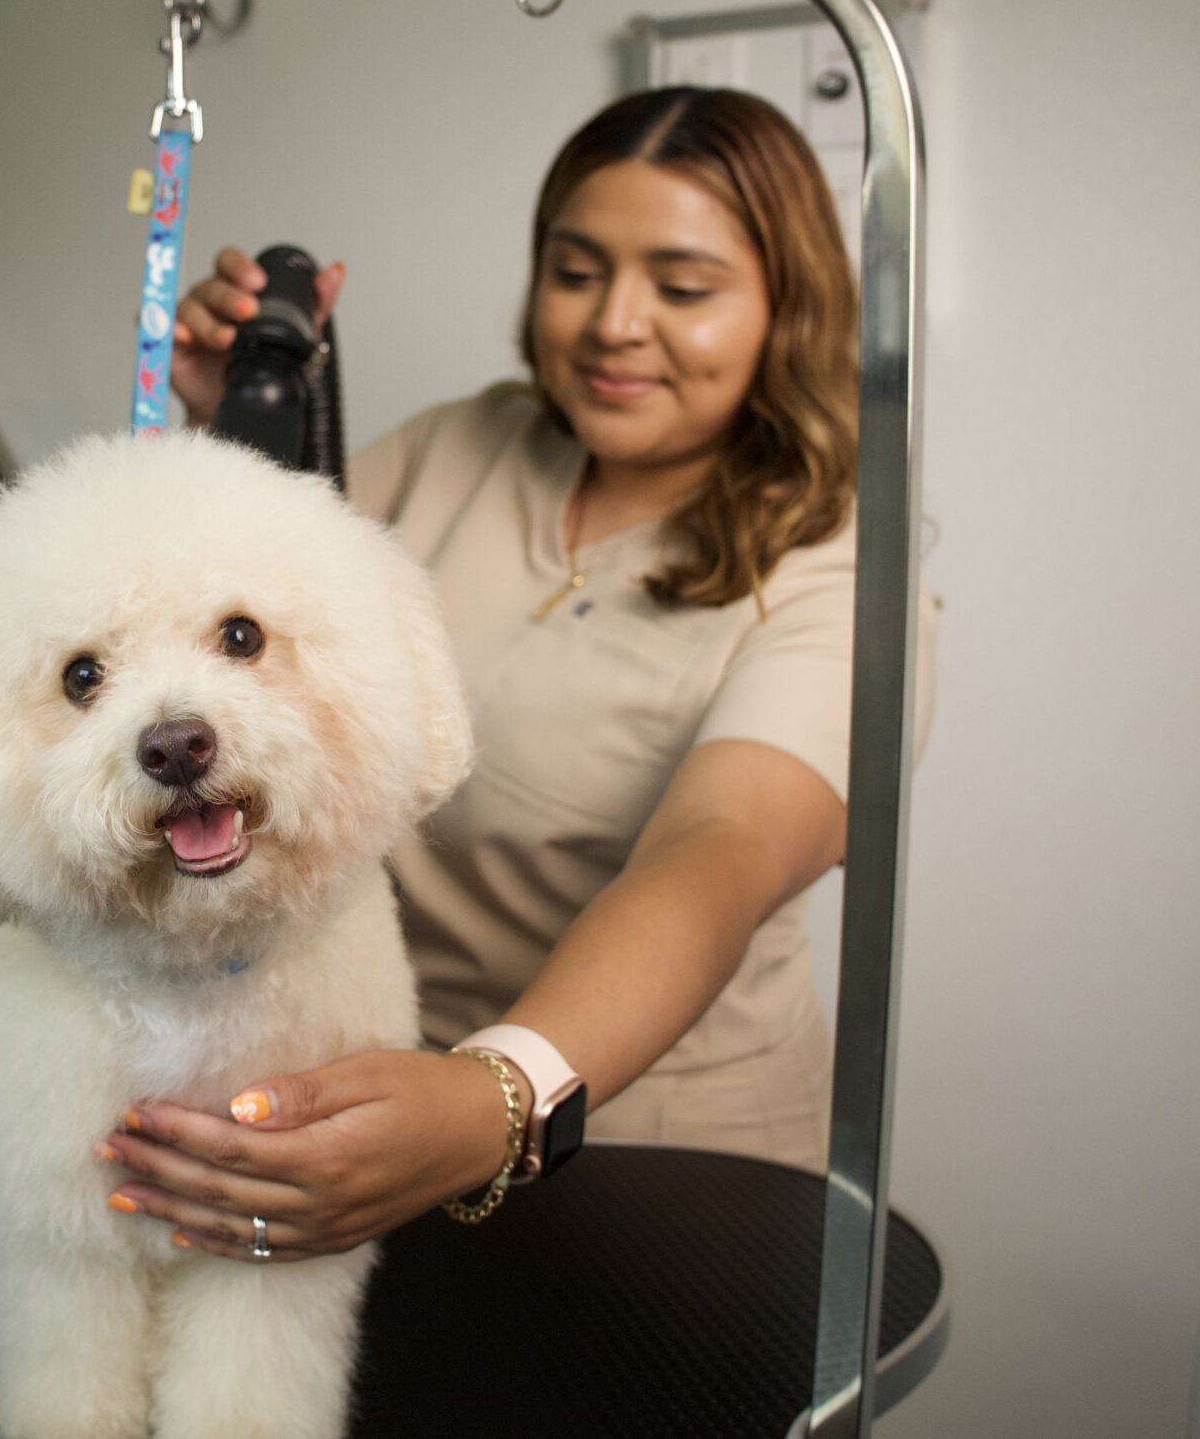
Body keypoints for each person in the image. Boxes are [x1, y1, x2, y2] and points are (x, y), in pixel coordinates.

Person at [96, 86, 939, 1264]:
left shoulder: (841, 567)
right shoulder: (460, 444)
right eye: (576, 270)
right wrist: (221, 433)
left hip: (659, 1154)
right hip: (364, 1098)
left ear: (785, 311)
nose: (614, 325)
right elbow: (238, 645)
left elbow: (719, 854)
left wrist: (494, 1095)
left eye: (683, 288)